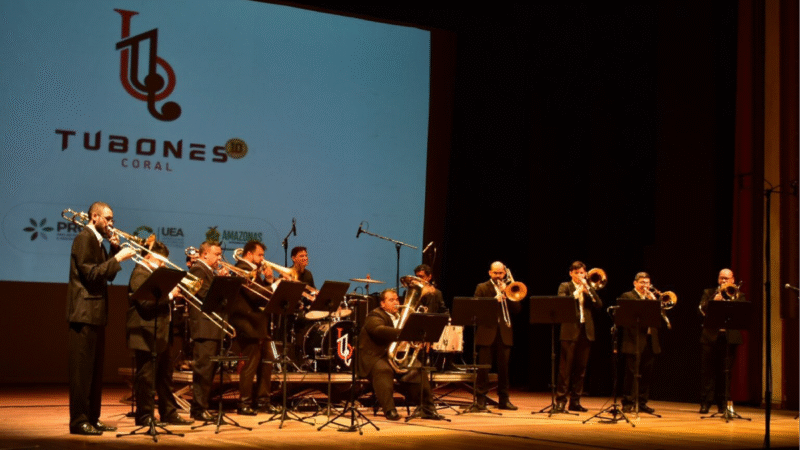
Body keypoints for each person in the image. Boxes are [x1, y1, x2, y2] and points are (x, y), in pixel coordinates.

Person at [66, 201, 135, 435]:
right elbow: (91, 274)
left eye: (112, 219)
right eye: (108, 219)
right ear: (94, 217)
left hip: (95, 314)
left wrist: (114, 251)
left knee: (95, 374)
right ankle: (79, 421)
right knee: (82, 373)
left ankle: (92, 418)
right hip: (84, 314)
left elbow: (108, 276)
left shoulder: (98, 241)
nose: (111, 223)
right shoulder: (84, 238)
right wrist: (119, 258)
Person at [126, 241, 194, 426]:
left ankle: (168, 413)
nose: (163, 265)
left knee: (165, 376)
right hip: (146, 333)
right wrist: (170, 295)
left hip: (161, 332)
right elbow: (145, 303)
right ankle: (144, 415)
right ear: (148, 256)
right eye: (160, 261)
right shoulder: (140, 274)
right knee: (146, 377)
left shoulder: (154, 275)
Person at [357, 289, 442, 420]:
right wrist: (404, 333)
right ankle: (389, 410)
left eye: (396, 299)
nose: (396, 302)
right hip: (375, 356)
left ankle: (427, 408)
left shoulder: (403, 317)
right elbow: (378, 330)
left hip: (395, 356)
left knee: (417, 369)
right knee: (384, 370)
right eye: (391, 300)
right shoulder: (374, 315)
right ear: (382, 303)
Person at [230, 240, 277, 415]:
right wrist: (274, 285)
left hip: (259, 325)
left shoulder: (253, 271)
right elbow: (254, 295)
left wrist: (269, 280)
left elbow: (263, 295)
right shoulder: (241, 269)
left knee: (266, 363)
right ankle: (244, 403)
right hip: (248, 324)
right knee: (250, 366)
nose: (262, 259)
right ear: (249, 254)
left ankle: (263, 401)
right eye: (260, 255)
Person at [554, 261, 602, 413]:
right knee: (565, 370)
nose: (580, 276)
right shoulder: (565, 286)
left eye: (582, 273)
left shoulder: (589, 287)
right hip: (569, 331)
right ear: (571, 273)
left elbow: (599, 305)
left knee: (581, 370)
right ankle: (561, 401)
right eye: (577, 273)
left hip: (586, 331)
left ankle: (575, 402)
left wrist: (589, 292)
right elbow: (562, 303)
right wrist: (578, 292)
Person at [473, 261, 521, 410]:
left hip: (504, 333)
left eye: (501, 273)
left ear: (505, 273)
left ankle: (504, 400)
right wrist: (494, 300)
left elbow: (517, 309)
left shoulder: (509, 287)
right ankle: (480, 399)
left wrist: (507, 293)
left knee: (504, 369)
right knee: (483, 369)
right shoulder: (482, 287)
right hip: (486, 332)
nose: (498, 276)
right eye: (495, 273)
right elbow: (476, 308)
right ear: (490, 273)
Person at [188, 241, 227, 422]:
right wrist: (221, 282)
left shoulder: (208, 271)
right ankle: (198, 409)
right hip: (204, 328)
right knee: (203, 371)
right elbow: (205, 296)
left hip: (211, 327)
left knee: (209, 371)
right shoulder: (198, 269)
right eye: (217, 254)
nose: (220, 258)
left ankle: (203, 406)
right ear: (205, 254)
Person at [698, 268, 746, 414]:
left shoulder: (739, 294)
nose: (724, 281)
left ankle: (723, 404)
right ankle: (705, 403)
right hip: (710, 337)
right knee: (708, 372)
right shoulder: (709, 292)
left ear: (733, 280)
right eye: (721, 278)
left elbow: (742, 313)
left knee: (725, 373)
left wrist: (730, 298)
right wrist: (714, 301)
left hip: (729, 338)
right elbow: (702, 309)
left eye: (727, 278)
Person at [618, 272, 661, 414]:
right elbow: (625, 318)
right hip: (633, 339)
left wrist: (654, 302)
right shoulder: (628, 296)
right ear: (635, 283)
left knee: (646, 373)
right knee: (631, 374)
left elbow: (659, 317)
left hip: (650, 340)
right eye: (642, 282)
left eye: (647, 283)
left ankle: (642, 402)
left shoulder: (652, 298)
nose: (645, 285)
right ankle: (628, 402)